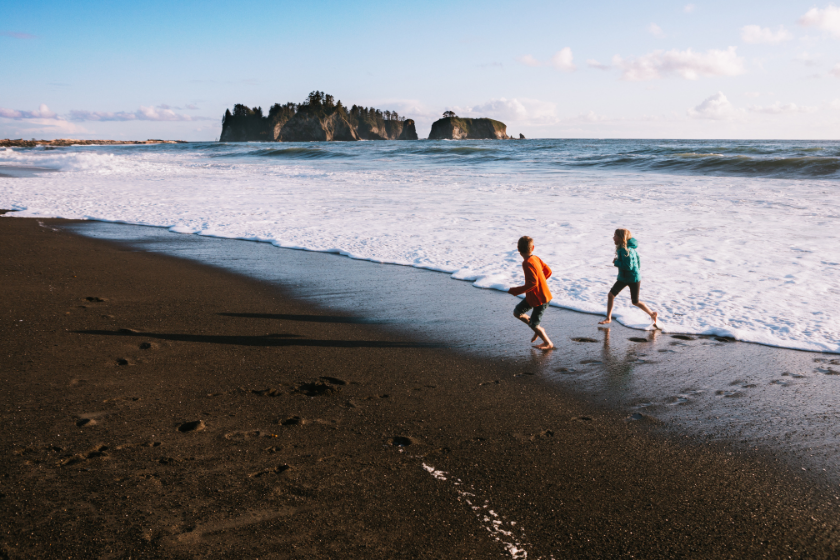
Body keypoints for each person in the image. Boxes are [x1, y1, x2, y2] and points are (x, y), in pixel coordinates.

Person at [598, 228, 659, 327]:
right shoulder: (629, 249)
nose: (613, 238)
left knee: (635, 301)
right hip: (627, 278)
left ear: (621, 238)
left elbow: (628, 266)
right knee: (611, 295)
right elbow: (638, 263)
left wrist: (616, 262)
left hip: (631, 279)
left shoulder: (624, 250)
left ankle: (652, 314)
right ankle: (608, 318)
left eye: (615, 236)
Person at [509, 236, 554, 350]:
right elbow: (548, 272)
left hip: (541, 299)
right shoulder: (536, 258)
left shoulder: (527, 263)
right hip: (533, 296)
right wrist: (541, 282)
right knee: (517, 312)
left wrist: (515, 290)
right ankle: (537, 328)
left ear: (518, 249)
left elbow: (532, 284)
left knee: (533, 324)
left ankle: (548, 343)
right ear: (533, 248)